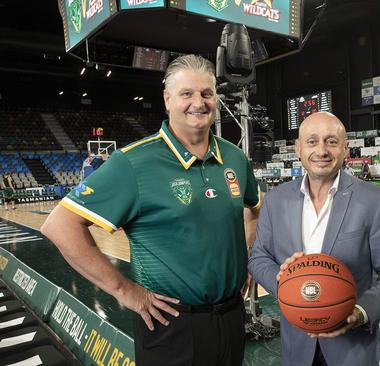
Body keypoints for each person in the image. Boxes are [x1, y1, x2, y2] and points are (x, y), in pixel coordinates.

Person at [41, 54, 262, 366]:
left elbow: (254, 207)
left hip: (231, 318)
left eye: (206, 93)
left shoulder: (235, 158)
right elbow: (59, 225)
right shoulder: (133, 163)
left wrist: (250, 257)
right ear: (167, 99)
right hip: (170, 325)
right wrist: (124, 291)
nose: (197, 102)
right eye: (186, 93)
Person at [248, 112, 380, 365]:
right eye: (312, 142)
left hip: (352, 349)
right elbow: (259, 258)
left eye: (331, 142)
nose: (321, 150)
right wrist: (286, 283)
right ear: (298, 149)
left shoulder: (373, 200)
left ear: (345, 149)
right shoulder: (276, 200)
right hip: (296, 348)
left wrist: (360, 312)